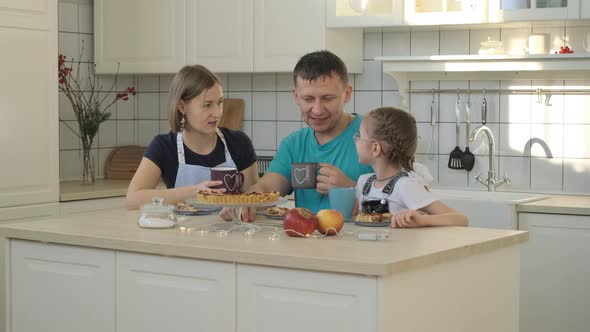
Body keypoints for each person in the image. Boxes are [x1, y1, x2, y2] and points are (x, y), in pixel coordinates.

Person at [242, 50, 373, 220]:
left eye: (327, 98)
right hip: (304, 241)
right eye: (308, 99)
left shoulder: (374, 137)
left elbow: (403, 203)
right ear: (296, 96)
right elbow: (268, 188)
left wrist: (352, 189)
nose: (317, 110)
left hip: (361, 245)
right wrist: (247, 201)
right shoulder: (293, 144)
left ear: (347, 94)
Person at [126, 65, 258, 212]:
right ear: (182, 107)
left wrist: (242, 209)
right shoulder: (163, 147)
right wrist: (193, 192)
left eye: (220, 102)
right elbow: (133, 199)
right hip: (181, 233)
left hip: (230, 233)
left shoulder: (239, 143)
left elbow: (255, 200)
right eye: (207, 105)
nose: (217, 113)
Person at [353, 107, 468, 228]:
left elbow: (461, 219)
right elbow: (353, 218)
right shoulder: (363, 182)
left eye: (360, 136)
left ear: (375, 148)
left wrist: (422, 221)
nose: (356, 141)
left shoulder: (404, 186)